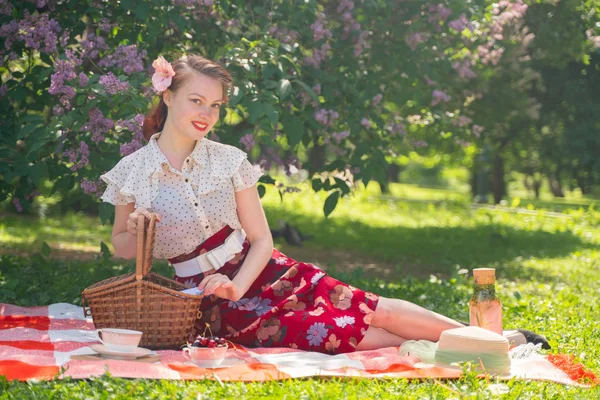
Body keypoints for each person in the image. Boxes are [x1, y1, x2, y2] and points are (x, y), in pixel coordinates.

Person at [100, 54, 549, 354]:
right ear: (167, 95)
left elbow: (261, 239)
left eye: (215, 106)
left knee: (373, 307)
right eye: (196, 100)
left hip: (266, 271)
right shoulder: (132, 171)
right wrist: (139, 233)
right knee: (349, 333)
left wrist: (241, 282)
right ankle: (484, 345)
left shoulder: (229, 161)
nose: (205, 114)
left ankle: (495, 342)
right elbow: (121, 246)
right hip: (209, 299)